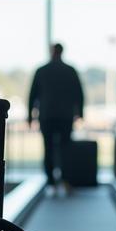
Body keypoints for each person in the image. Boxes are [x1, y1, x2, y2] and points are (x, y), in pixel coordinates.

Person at [28, 44, 84, 187]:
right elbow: (79, 93)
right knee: (65, 148)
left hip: (47, 116)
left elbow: (32, 95)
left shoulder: (41, 71)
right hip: (66, 116)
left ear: (51, 52)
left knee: (48, 148)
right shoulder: (70, 71)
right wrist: (80, 113)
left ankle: (51, 180)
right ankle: (65, 179)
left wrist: (30, 116)